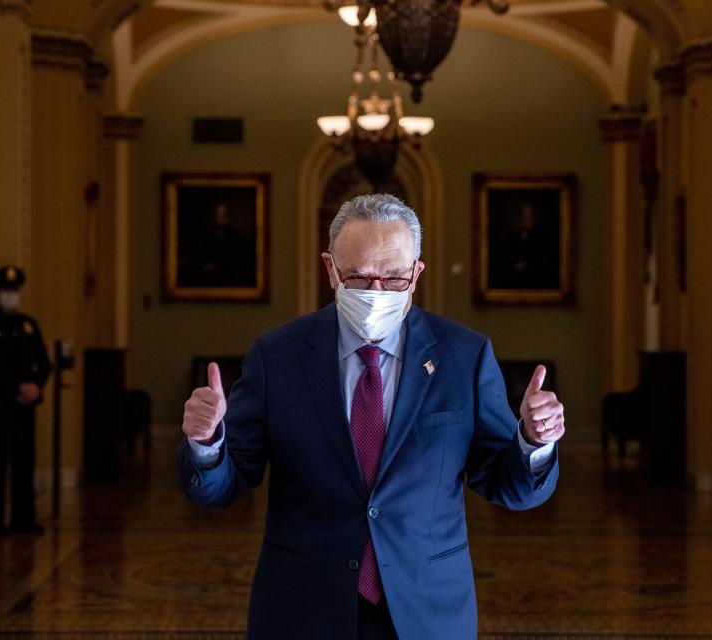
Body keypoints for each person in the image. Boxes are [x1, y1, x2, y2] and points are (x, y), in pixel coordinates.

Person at [176, 194, 565, 639]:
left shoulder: (465, 356)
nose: (376, 292)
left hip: (426, 609)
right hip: (302, 609)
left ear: (417, 273)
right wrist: (207, 444)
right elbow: (223, 485)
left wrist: (535, 442)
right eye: (359, 277)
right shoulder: (276, 356)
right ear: (330, 270)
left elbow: (507, 485)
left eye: (394, 277)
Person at [0, 265, 51, 535]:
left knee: (24, 462)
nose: (11, 295)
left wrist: (36, 387)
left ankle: (23, 518)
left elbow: (43, 362)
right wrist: (18, 386)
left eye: (14, 291)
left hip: (24, 406)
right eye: (6, 291)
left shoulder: (28, 326)